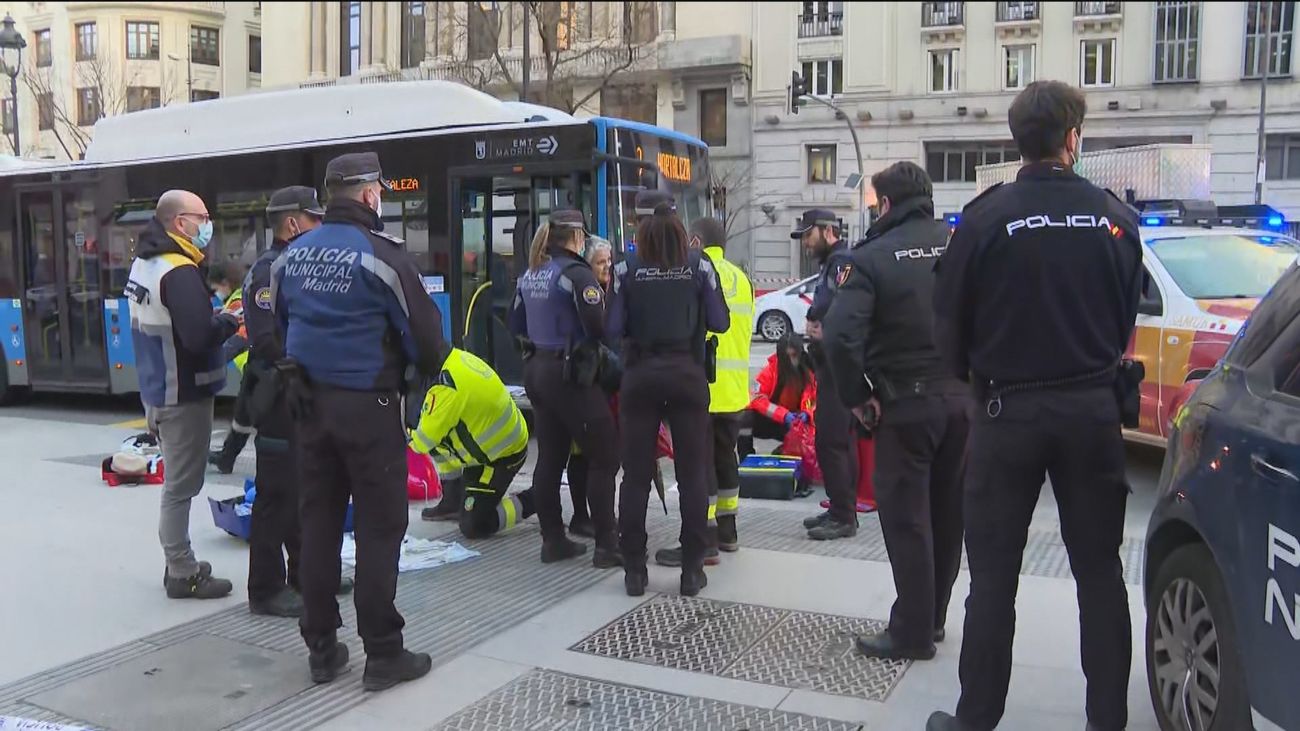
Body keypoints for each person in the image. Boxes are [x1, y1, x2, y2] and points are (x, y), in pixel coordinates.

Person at [927, 81, 1143, 731]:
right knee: (1100, 576)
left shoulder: (984, 218)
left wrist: (983, 377)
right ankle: (1107, 719)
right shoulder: (1115, 219)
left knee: (992, 579)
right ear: (1073, 138)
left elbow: (948, 328)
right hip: (1091, 413)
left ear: (1017, 142)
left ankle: (975, 719)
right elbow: (1125, 313)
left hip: (1006, 415)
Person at [273, 152, 447, 691]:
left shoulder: (288, 257)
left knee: (319, 522)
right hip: (368, 410)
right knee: (379, 526)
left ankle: (322, 648)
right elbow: (429, 340)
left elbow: (281, 324)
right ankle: (383, 653)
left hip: (309, 406)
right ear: (370, 195)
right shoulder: (384, 257)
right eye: (380, 190)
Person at [821, 161, 970, 663]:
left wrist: (858, 396)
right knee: (949, 513)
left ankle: (912, 631)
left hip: (905, 404)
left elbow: (841, 336)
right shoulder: (963, 244)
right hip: (962, 401)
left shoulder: (872, 257)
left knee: (908, 519)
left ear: (885, 204)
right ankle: (934, 617)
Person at [610, 202, 729, 598]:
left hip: (640, 376)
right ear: (681, 231)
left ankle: (634, 571)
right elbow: (720, 321)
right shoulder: (699, 266)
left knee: (636, 477)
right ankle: (692, 571)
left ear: (642, 232)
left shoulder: (625, 268)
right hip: (687, 375)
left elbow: (612, 327)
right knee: (693, 474)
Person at [126, 189, 240, 599]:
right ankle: (182, 571)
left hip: (157, 390)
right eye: (202, 216)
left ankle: (179, 561)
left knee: (177, 483)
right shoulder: (178, 271)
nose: (207, 224)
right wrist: (229, 320)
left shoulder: (146, 262)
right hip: (183, 394)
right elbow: (198, 335)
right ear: (180, 222)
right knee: (181, 487)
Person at [507, 209, 620, 568]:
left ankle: (553, 540)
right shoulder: (576, 274)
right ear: (576, 237)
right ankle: (607, 545)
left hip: (537, 371)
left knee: (551, 457)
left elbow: (515, 322)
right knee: (604, 456)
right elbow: (598, 327)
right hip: (570, 374)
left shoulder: (530, 274)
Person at [239, 186, 325, 617]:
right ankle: (265, 588)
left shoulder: (296, 265)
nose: (321, 226)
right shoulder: (269, 271)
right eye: (315, 219)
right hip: (278, 396)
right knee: (275, 495)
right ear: (293, 224)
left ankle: (303, 575)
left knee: (300, 488)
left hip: (298, 394)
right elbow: (266, 339)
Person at [655, 217, 753, 566]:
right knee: (727, 460)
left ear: (694, 240)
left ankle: (704, 537)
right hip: (736, 392)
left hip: (705, 388)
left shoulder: (694, 272)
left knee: (699, 466)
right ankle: (728, 532)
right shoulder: (742, 278)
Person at [410, 347, 533, 540]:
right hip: (481, 451)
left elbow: (421, 441)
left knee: (474, 524)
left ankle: (534, 500)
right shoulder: (449, 361)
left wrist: (399, 432)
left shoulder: (446, 388)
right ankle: (451, 498)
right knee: (438, 433)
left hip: (502, 456)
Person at [793, 209, 859, 541]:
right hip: (831, 363)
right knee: (838, 439)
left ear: (828, 231)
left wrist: (817, 318)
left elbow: (839, 302)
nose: (806, 242)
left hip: (838, 364)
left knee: (831, 440)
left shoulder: (843, 261)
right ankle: (840, 508)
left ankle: (845, 516)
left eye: (809, 235)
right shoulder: (832, 263)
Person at [740, 333, 816, 460]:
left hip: (798, 423)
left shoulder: (810, 374)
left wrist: (808, 414)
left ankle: (784, 453)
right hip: (777, 420)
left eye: (794, 356)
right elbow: (755, 398)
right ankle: (746, 458)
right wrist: (783, 415)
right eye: (787, 357)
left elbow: (816, 401)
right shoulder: (769, 371)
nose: (791, 361)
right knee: (744, 419)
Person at [208, 262, 252, 475]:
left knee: (245, 416)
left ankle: (226, 458)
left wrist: (213, 362)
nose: (216, 293)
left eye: (216, 288)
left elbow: (237, 339)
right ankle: (226, 457)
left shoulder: (237, 301)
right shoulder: (238, 297)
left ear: (225, 283)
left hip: (256, 367)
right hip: (253, 369)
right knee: (243, 417)